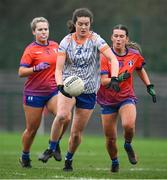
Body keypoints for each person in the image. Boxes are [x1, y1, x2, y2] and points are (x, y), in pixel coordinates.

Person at [39, 8, 120, 171]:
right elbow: (58, 69)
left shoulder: (96, 39)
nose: (83, 27)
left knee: (76, 133)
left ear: (90, 25)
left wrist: (115, 77)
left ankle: (68, 160)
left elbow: (113, 58)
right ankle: (51, 148)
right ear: (74, 24)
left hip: (89, 90)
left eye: (86, 24)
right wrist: (60, 85)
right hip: (69, 86)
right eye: (80, 24)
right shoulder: (66, 42)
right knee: (62, 115)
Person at [97, 24, 157, 172]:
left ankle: (128, 144)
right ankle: (115, 161)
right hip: (107, 100)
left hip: (126, 97)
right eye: (116, 36)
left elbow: (140, 69)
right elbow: (103, 81)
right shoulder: (105, 55)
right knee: (110, 139)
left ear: (126, 38)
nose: (118, 39)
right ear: (111, 38)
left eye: (121, 36)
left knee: (129, 125)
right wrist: (116, 78)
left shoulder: (134, 54)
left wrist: (149, 86)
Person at [18, 17, 69, 168]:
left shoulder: (55, 45)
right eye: (40, 29)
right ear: (34, 32)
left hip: (53, 91)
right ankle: (25, 156)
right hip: (34, 93)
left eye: (45, 29)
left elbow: (63, 63)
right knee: (32, 130)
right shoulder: (30, 50)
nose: (43, 32)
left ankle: (55, 143)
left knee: (65, 116)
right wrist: (35, 68)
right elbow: (21, 72)